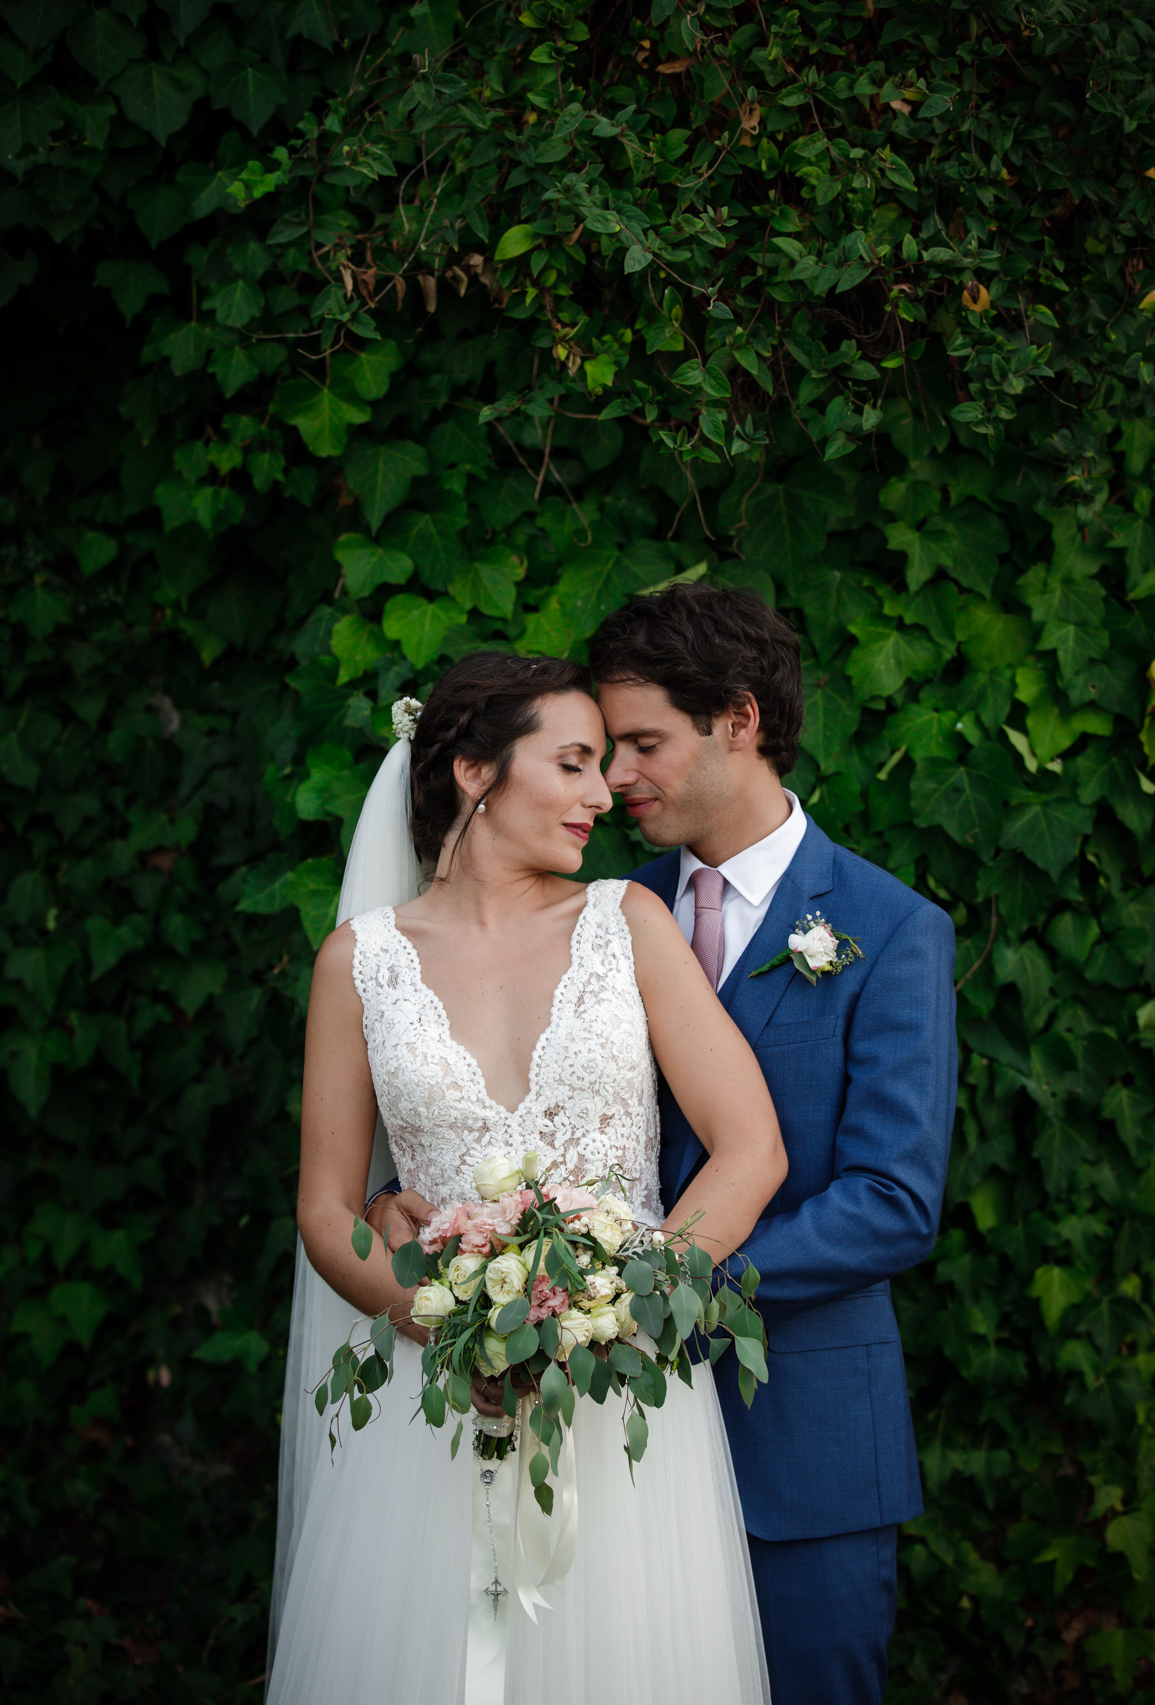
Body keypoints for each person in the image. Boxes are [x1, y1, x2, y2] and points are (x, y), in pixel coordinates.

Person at [265, 650, 785, 1705]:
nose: (605, 793)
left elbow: (750, 1146)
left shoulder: (626, 923)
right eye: (574, 763)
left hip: (619, 1389)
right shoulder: (358, 962)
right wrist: (432, 1321)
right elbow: (325, 1206)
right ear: (475, 771)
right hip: (436, 1396)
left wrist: (623, 1302)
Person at [585, 584, 958, 1705]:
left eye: (644, 742)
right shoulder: (600, 917)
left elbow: (892, 1199)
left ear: (739, 719)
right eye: (606, 746)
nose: (614, 776)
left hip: (806, 1449)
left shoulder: (891, 928)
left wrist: (663, 1291)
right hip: (610, 1438)